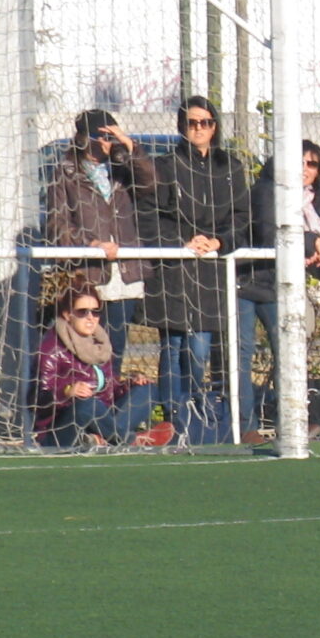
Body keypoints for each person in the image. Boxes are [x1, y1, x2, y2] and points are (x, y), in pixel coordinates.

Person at [138, 96, 248, 446]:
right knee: (173, 345)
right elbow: (149, 213)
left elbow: (243, 218)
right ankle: (173, 421)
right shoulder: (165, 165)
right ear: (181, 127)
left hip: (210, 268)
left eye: (206, 122)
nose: (198, 129)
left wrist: (219, 241)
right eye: (191, 123)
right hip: (173, 265)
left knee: (199, 349)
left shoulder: (230, 167)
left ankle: (194, 411)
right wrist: (183, 241)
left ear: (215, 127)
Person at [236, 140, 320, 442]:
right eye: (300, 162)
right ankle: (245, 427)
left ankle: (292, 422)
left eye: (312, 164)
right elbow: (270, 233)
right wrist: (310, 241)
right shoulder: (267, 190)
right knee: (242, 352)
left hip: (279, 284)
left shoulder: (313, 199)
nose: (305, 169)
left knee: (289, 350)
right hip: (247, 279)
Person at [43, 109, 145, 370]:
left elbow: (152, 183)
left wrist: (130, 146)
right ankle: (85, 401)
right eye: (101, 136)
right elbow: (57, 225)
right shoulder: (65, 173)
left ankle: (109, 398)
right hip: (88, 273)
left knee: (115, 346)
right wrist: (91, 245)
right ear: (84, 138)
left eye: (111, 136)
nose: (106, 143)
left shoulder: (122, 169)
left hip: (124, 272)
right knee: (84, 345)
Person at [32, 282, 160, 448]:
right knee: (88, 404)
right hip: (61, 427)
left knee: (148, 390)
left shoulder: (100, 344)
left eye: (96, 311)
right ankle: (130, 440)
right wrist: (67, 391)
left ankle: (102, 438)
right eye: (82, 312)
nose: (91, 317)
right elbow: (38, 399)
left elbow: (109, 391)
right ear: (67, 314)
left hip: (102, 419)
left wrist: (130, 384)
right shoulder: (51, 347)